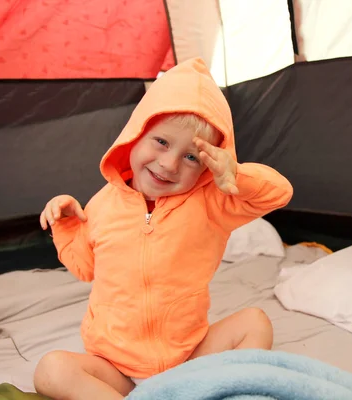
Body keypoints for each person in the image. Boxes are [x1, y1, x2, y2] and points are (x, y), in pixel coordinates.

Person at [33, 57, 293, 400]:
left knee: (256, 322)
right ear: (135, 136)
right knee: (52, 369)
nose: (169, 164)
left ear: (207, 166)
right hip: (116, 369)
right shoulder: (102, 205)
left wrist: (236, 175)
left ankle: (211, 391)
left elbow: (279, 193)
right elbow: (85, 268)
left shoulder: (212, 203)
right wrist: (66, 226)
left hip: (187, 361)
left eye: (192, 157)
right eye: (161, 142)